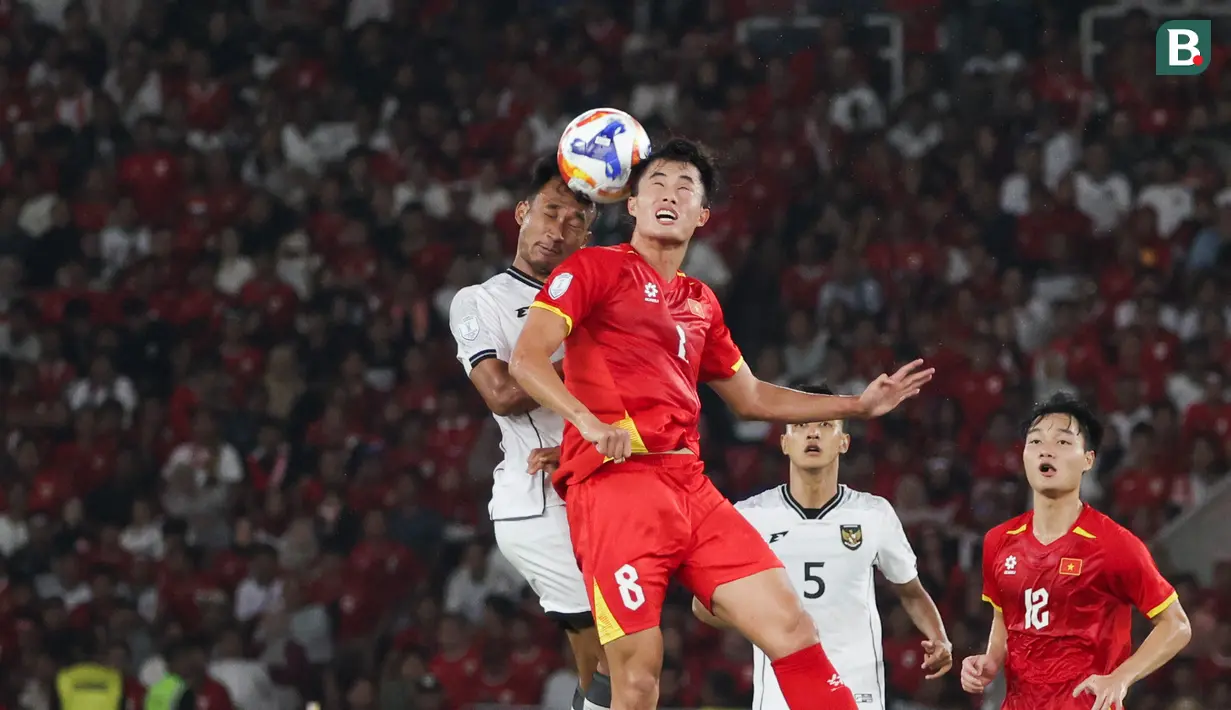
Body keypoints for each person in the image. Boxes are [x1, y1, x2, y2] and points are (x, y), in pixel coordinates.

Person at [509, 138, 933, 710]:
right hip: (616, 490)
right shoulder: (594, 267)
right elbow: (527, 359)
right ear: (631, 204)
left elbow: (751, 396)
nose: (670, 194)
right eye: (657, 184)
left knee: (792, 629)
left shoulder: (700, 301)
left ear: (701, 216)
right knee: (637, 679)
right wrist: (584, 422)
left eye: (686, 188)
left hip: (692, 490)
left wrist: (855, 405)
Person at [448, 157, 611, 710]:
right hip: (540, 505)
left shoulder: (598, 302)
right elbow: (501, 395)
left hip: (600, 489)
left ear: (589, 236)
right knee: (618, 655)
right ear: (523, 212)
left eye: (574, 222)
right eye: (550, 212)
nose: (558, 230)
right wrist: (587, 356)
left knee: (621, 668)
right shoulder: (480, 301)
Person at [693, 385, 952, 710]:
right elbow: (702, 605)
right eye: (800, 425)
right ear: (785, 443)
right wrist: (770, 620)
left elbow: (911, 591)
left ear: (843, 441)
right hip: (780, 693)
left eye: (825, 424)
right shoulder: (750, 516)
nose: (812, 433)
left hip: (858, 690)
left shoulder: (873, 514)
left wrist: (939, 636)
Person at [960, 393, 1193, 710]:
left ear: (1088, 460)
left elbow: (1176, 625)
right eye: (1036, 441)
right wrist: (991, 659)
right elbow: (1005, 615)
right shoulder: (998, 540)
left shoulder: (1114, 544)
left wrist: (1121, 678)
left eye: (1063, 442)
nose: (1047, 450)